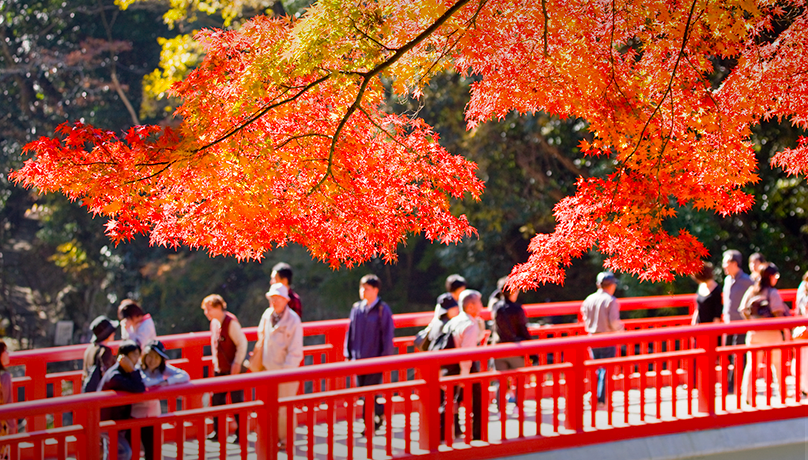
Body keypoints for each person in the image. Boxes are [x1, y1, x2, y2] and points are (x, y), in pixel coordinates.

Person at [343, 274, 394, 434]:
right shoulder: (357, 308)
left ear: (375, 290)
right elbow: (350, 332)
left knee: (368, 392)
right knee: (363, 392)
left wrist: (385, 357)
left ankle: (369, 425)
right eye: (362, 288)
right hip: (359, 358)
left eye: (367, 288)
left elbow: (387, 335)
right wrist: (348, 353)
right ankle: (380, 411)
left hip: (374, 358)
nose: (363, 291)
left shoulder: (382, 310)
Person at [255, 283, 304, 449]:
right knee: (270, 407)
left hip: (286, 371)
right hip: (268, 369)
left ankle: (286, 439)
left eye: (277, 298)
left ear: (285, 300)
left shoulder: (293, 319)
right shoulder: (267, 314)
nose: (274, 301)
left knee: (285, 408)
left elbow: (295, 350)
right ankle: (272, 437)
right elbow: (261, 338)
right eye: (272, 298)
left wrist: (286, 371)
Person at [738, 263, 792, 405]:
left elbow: (742, 309)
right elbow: (779, 313)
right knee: (777, 365)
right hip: (772, 333)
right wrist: (786, 332)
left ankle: (747, 396)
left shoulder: (751, 291)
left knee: (751, 365)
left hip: (755, 332)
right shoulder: (772, 293)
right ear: (770, 277)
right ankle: (782, 395)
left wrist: (752, 321)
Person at [200, 294, 248, 442]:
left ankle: (241, 433)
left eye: (209, 309)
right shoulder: (214, 323)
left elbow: (242, 343)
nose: (206, 313)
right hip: (220, 368)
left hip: (232, 368)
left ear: (218, 307)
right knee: (217, 400)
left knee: (236, 401)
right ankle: (218, 431)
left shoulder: (230, 323)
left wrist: (237, 363)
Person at [132, 340, 190, 460]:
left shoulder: (162, 369)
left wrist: (167, 381)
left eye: (156, 357)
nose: (153, 360)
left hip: (153, 415)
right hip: (136, 415)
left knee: (153, 450)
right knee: (133, 451)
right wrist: (160, 384)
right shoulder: (137, 369)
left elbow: (184, 375)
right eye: (150, 356)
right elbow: (145, 383)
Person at [439, 289, 484, 441]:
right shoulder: (469, 325)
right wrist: (464, 377)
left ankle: (446, 432)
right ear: (471, 306)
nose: (482, 306)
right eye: (479, 303)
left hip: (449, 367)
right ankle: (476, 435)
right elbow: (466, 355)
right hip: (464, 368)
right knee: (475, 401)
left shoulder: (455, 320)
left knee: (451, 400)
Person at [580, 271, 624, 409]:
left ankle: (593, 395)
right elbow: (613, 322)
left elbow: (584, 315)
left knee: (595, 367)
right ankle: (602, 399)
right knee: (605, 369)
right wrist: (622, 330)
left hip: (592, 336)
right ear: (611, 286)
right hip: (607, 337)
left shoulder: (589, 298)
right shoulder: (611, 300)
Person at [98, 340, 146, 460]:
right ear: (123, 357)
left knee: (112, 452)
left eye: (137, 354)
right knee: (124, 451)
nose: (136, 358)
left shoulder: (124, 372)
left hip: (117, 421)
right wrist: (132, 370)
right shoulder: (115, 376)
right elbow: (139, 388)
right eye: (133, 355)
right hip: (107, 422)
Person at [490, 277, 532, 408]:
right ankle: (519, 404)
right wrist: (532, 350)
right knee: (519, 379)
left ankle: (500, 406)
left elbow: (492, 300)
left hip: (499, 347)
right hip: (515, 348)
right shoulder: (517, 309)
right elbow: (523, 330)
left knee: (501, 380)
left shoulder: (496, 308)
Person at [721, 249, 754, 393]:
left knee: (738, 357)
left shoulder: (747, 281)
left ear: (735, 263)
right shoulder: (727, 280)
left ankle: (734, 385)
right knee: (726, 356)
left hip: (741, 324)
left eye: (726, 262)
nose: (723, 266)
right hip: (728, 323)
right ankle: (728, 383)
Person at [83, 315, 118, 393]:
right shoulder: (104, 351)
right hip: (101, 394)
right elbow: (109, 375)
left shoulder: (90, 349)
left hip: (91, 393)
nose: (114, 334)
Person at [692, 262, 723, 326]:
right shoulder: (701, 285)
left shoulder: (716, 290)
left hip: (710, 326)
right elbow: (698, 307)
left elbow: (717, 313)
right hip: (699, 324)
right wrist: (694, 321)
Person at [0, 341, 16, 438]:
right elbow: (8, 403)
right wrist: (12, 427)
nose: (7, 354)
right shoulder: (4, 376)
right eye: (5, 351)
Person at [795, 270, 808, 397]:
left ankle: (803, 386)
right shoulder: (803, 292)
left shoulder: (802, 290)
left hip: (803, 328)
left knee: (803, 360)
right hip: (805, 329)